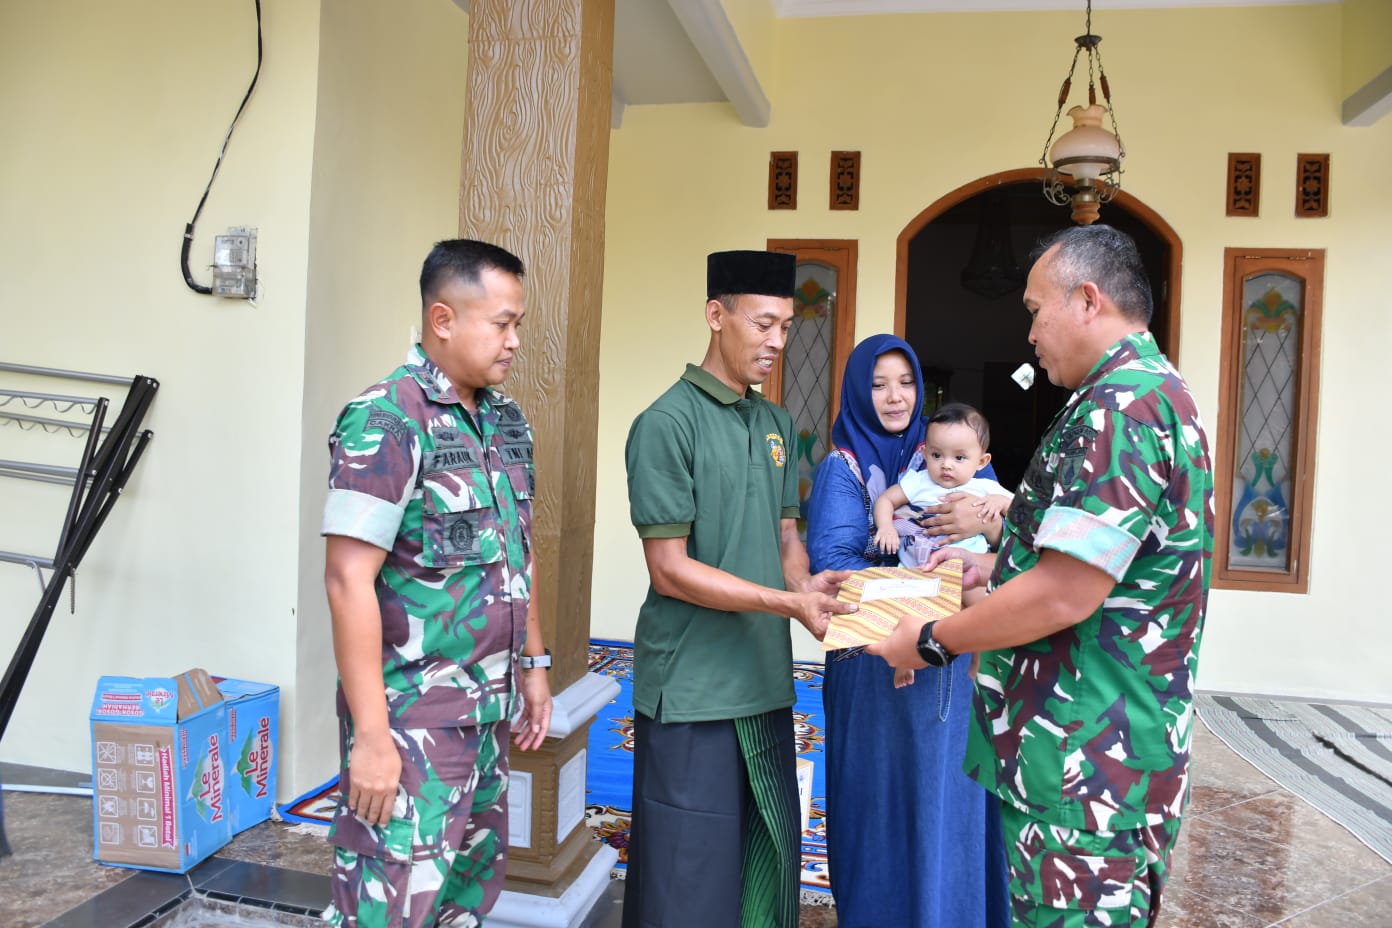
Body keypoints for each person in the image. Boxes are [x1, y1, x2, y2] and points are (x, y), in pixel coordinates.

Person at [869, 225, 1214, 928]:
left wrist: (933, 640)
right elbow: (1102, 563)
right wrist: (997, 564)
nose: (1029, 334)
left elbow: (1065, 593)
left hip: (1087, 762)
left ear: (1087, 300)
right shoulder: (1145, 392)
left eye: (1035, 310)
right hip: (1091, 753)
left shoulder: (1121, 409)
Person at [320, 239, 554, 928]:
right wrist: (371, 736)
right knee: (388, 905)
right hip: (410, 723)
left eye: (518, 324)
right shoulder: (387, 419)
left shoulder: (506, 422)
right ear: (443, 319)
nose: (514, 341)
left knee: (462, 901)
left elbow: (520, 553)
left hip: (486, 714)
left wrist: (535, 666)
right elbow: (346, 579)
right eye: (502, 323)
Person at [622, 249, 856, 928]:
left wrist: (810, 584)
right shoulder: (667, 423)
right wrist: (787, 603)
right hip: (692, 688)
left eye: (786, 326)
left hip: (764, 681)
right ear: (715, 316)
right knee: (687, 879)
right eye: (762, 324)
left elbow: (784, 543)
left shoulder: (777, 425)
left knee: (767, 860)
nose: (777, 342)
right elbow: (669, 569)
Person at [804, 335, 1010, 928]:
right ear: (857, 391)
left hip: (952, 666)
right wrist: (928, 583)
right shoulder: (842, 469)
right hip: (873, 668)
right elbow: (836, 569)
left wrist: (981, 537)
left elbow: (1014, 541)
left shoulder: (951, 454)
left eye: (906, 383)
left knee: (950, 804)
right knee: (882, 809)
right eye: (877, 384)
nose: (895, 397)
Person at [872, 402, 1012, 566]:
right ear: (925, 454)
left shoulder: (986, 487)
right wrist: (885, 527)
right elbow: (886, 500)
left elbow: (1022, 512)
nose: (946, 465)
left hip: (967, 570)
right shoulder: (919, 481)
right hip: (915, 568)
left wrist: (1001, 502)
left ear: (981, 462)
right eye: (937, 455)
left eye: (959, 458)